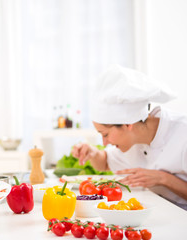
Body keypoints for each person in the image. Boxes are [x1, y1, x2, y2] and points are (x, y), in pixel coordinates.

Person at [71, 65, 187, 210]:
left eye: (105, 135)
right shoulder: (133, 138)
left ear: (128, 124)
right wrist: (93, 153)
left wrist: (163, 178)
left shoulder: (182, 134)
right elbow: (105, 163)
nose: (105, 142)